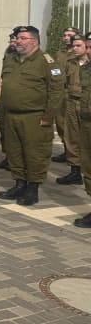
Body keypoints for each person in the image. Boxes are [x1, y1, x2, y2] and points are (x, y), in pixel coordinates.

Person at [0, 25, 64, 206]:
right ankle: (19, 184)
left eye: (23, 38)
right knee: (14, 152)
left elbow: (56, 92)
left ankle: (32, 189)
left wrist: (48, 117)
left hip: (34, 117)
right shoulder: (12, 59)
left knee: (35, 154)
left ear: (34, 41)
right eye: (18, 38)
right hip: (11, 115)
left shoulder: (46, 62)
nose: (18, 41)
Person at [56, 34, 86, 185]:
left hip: (87, 105)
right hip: (72, 103)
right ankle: (75, 172)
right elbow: (63, 82)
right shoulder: (71, 62)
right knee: (71, 137)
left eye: (78, 46)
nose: (74, 48)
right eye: (73, 46)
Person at [53, 26, 82, 162]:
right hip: (60, 92)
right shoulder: (61, 53)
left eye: (69, 35)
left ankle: (77, 157)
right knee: (60, 124)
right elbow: (55, 69)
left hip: (73, 93)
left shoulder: (80, 53)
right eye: (64, 35)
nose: (66, 38)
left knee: (73, 128)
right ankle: (67, 152)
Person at [0, 31, 19, 171]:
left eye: (14, 41)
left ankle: (15, 160)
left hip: (16, 98)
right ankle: (8, 156)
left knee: (13, 131)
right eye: (10, 41)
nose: (12, 44)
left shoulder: (21, 57)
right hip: (5, 96)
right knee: (3, 127)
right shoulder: (8, 53)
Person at [75, 31, 91, 227]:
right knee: (88, 166)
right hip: (87, 123)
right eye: (88, 47)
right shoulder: (85, 69)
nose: (88, 51)